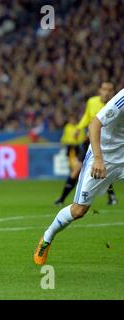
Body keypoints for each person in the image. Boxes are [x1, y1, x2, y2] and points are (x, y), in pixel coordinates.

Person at [34, 87, 124, 265]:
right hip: (104, 154)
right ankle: (47, 238)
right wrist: (98, 159)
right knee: (79, 210)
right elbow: (94, 124)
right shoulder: (122, 99)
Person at [54, 82, 118, 206]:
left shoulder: (115, 105)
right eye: (104, 89)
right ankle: (62, 198)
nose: (106, 92)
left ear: (113, 92)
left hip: (105, 144)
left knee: (102, 171)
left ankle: (112, 197)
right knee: (76, 170)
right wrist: (78, 128)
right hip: (89, 141)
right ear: (99, 90)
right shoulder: (92, 102)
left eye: (109, 90)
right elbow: (86, 117)